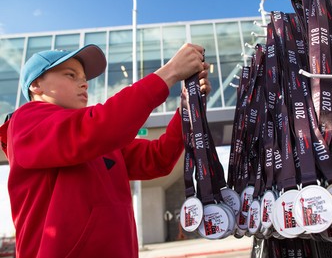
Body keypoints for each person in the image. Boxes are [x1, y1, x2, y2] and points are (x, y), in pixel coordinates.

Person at [0, 43, 211, 258]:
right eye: (71, 75)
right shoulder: (26, 121)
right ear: (36, 85)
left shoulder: (96, 138)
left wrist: (186, 109)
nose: (84, 84)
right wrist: (171, 72)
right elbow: (102, 126)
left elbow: (158, 159)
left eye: (84, 78)